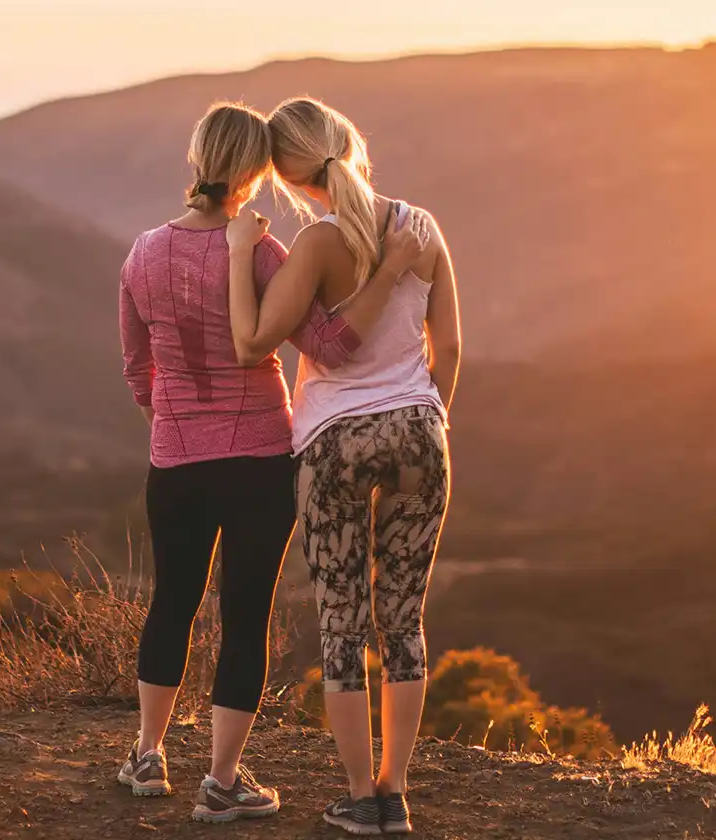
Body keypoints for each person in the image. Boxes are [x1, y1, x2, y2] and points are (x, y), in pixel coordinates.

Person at [115, 100, 424, 824]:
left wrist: (173, 419)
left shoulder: (142, 253)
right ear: (256, 173)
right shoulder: (263, 254)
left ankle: (148, 755)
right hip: (259, 459)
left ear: (196, 161)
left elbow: (136, 367)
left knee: (172, 601)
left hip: (177, 458)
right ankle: (222, 782)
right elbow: (329, 345)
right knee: (244, 615)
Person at [226, 96, 460, 835]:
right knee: (404, 618)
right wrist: (429, 417)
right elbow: (448, 349)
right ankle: (397, 790)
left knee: (343, 622)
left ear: (291, 181)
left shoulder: (318, 248)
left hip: (334, 443)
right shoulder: (421, 228)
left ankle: (363, 797)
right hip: (421, 432)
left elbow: (285, 341)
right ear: (350, 142)